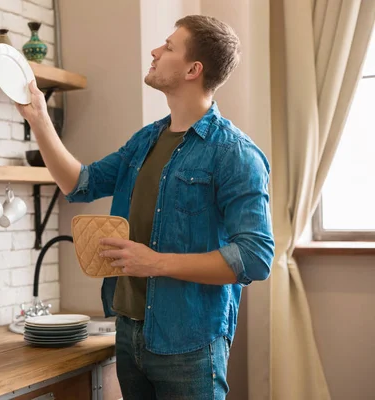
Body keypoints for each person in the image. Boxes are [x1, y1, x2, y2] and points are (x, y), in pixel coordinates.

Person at [16, 14, 275, 400]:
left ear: (193, 69)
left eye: (169, 47)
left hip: (190, 344)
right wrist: (38, 118)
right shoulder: (145, 141)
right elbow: (79, 183)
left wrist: (155, 262)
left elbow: (255, 258)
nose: (155, 51)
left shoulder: (235, 154)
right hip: (130, 334)